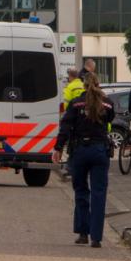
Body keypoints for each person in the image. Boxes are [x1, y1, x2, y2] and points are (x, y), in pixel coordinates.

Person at [54, 73, 115, 248]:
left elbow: (65, 127)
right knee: (99, 193)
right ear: (98, 84)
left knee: (81, 191)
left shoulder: (75, 104)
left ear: (83, 85)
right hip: (100, 151)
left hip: (80, 151)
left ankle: (82, 233)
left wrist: (58, 148)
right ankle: (96, 237)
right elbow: (110, 119)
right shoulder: (107, 103)